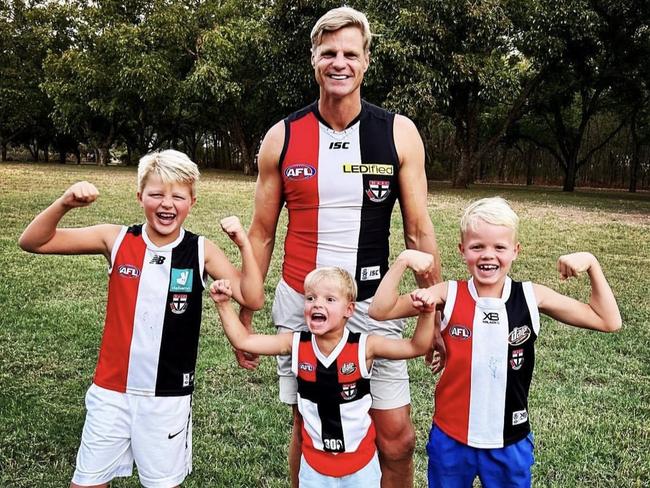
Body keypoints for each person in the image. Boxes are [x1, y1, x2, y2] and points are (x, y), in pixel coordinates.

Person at [240, 6, 442, 487]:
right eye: (328, 52)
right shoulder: (282, 136)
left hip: (375, 305)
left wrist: (436, 304)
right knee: (307, 427)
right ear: (313, 59)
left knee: (397, 438)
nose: (339, 62)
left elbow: (418, 230)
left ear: (366, 60)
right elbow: (261, 234)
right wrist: (247, 308)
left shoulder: (397, 132)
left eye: (351, 53)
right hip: (302, 301)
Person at [18, 149, 264, 488]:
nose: (166, 204)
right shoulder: (116, 239)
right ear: (139, 196)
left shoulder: (201, 250)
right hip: (111, 391)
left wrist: (243, 245)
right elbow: (32, 241)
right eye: (156, 194)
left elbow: (253, 298)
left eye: (178, 196)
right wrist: (65, 203)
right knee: (86, 483)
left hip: (167, 396)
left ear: (192, 201)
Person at [369, 196, 622, 488]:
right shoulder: (447, 293)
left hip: (510, 441)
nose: (488, 255)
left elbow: (608, 320)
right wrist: (403, 262)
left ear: (515, 251)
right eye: (477, 246)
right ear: (462, 251)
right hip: (451, 440)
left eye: (499, 247)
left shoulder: (530, 296)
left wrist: (591, 264)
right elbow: (380, 310)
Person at [211, 265, 435, 488]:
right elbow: (244, 341)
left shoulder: (365, 347)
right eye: (310, 298)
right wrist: (223, 304)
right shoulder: (295, 343)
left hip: (361, 469)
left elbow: (416, 347)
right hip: (314, 470)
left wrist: (427, 313)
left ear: (349, 309)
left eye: (329, 299)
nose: (317, 303)